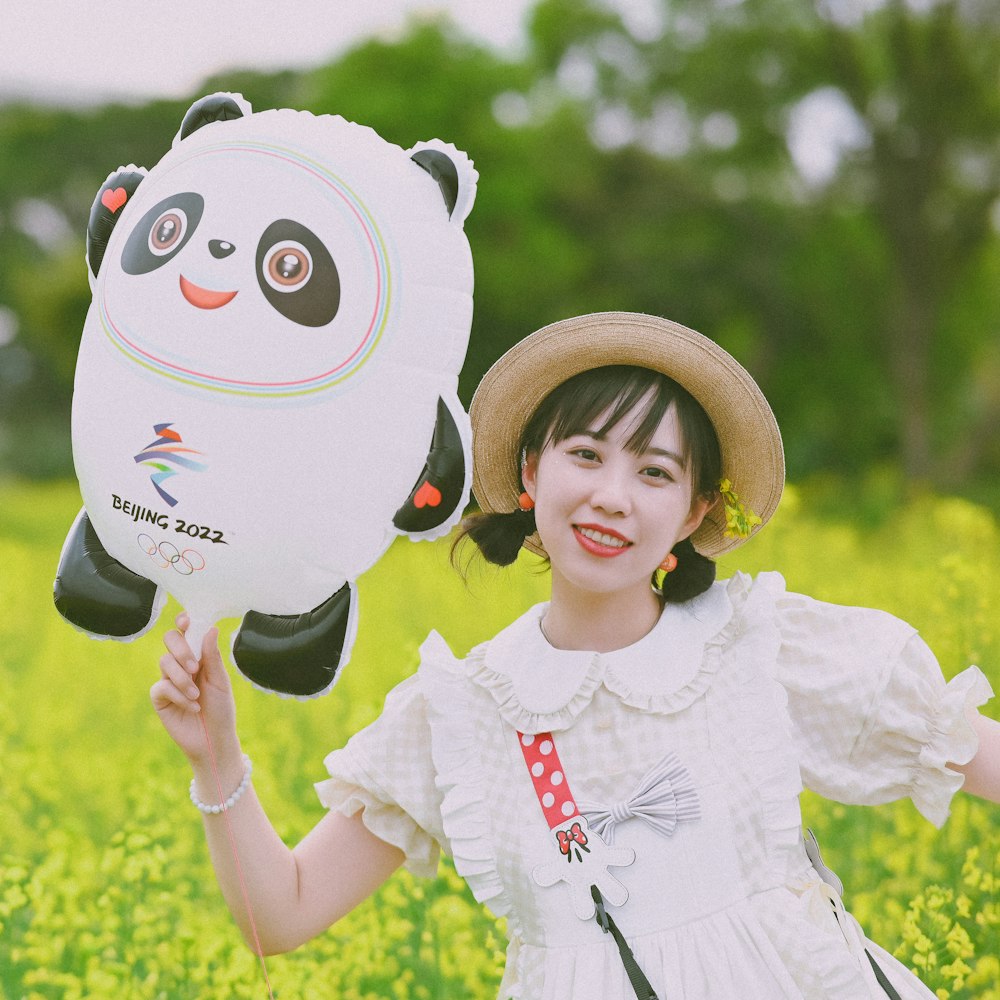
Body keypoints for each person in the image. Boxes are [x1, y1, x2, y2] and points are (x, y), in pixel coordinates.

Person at [152, 312, 1000, 1000]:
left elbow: (977, 755)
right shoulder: (466, 707)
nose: (611, 496)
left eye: (655, 473)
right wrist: (216, 754)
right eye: (585, 455)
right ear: (531, 471)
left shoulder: (756, 647)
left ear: (697, 508)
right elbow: (284, 914)